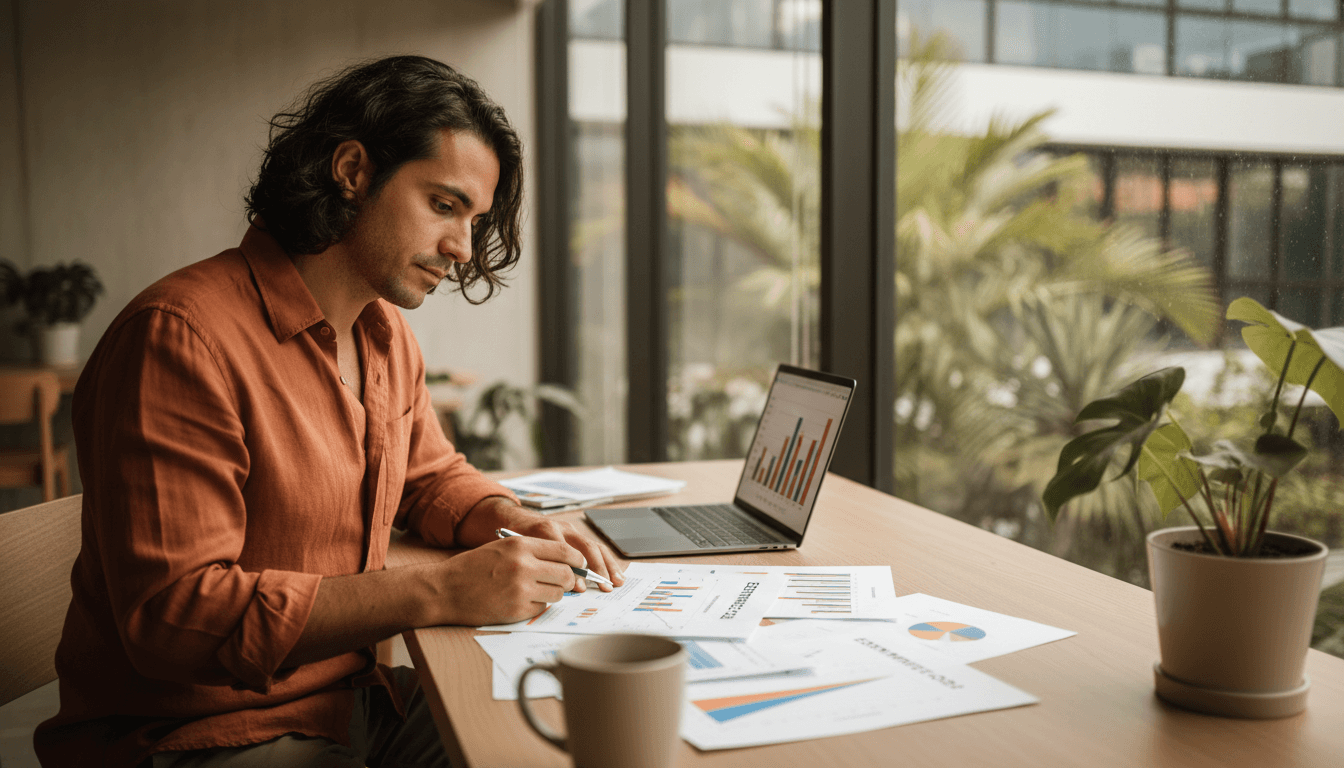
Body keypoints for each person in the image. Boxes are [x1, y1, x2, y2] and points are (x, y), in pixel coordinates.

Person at [34, 55, 623, 768]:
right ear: (352, 171)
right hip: (193, 735)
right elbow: (175, 618)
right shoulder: (179, 339)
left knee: (554, 743)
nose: (463, 250)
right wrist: (435, 591)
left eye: (474, 220)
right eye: (444, 205)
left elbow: (430, 478)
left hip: (348, 701)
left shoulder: (384, 335)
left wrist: (517, 519)